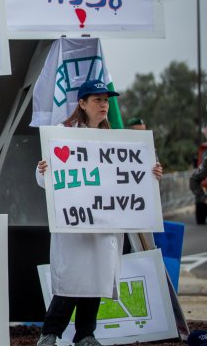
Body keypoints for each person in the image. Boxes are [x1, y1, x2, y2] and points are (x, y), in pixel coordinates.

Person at [34, 80, 163, 346]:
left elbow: (131, 178)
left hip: (105, 223)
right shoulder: (63, 134)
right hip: (75, 224)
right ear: (82, 104)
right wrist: (43, 168)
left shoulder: (115, 140)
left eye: (106, 100)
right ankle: (50, 333)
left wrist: (152, 174)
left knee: (96, 278)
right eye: (97, 100)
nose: (104, 105)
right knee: (72, 279)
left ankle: (85, 334)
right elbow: (43, 178)